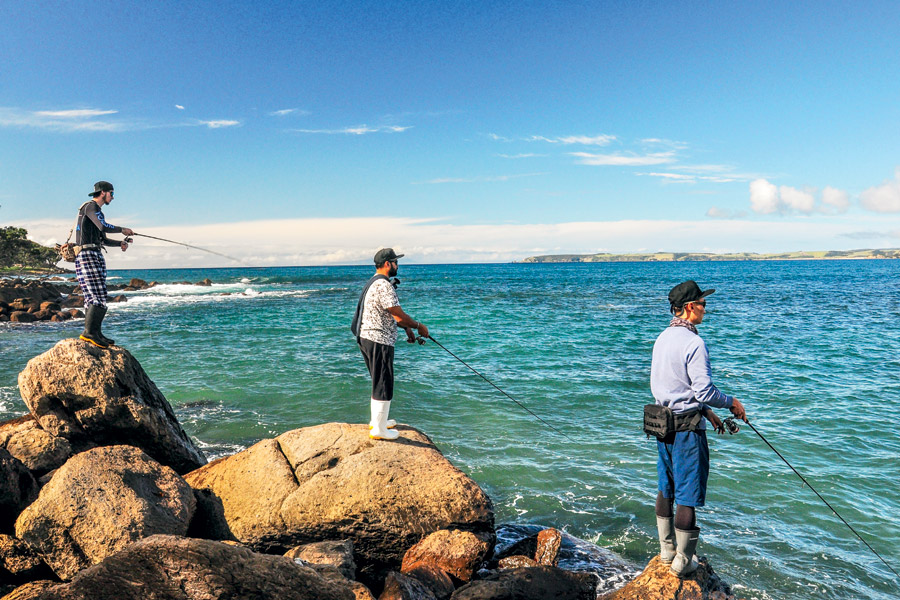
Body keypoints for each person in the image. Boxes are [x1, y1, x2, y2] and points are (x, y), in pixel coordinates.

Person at [649, 280, 747, 578]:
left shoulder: (662, 338)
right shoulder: (694, 343)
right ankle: (683, 562)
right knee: (687, 494)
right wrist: (731, 403)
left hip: (662, 425)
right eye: (703, 304)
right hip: (688, 431)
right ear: (690, 307)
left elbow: (672, 387)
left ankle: (666, 551)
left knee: (666, 487)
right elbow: (703, 391)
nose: (706, 309)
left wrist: (707, 412)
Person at [350, 248, 429, 440]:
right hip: (379, 339)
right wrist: (419, 326)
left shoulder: (373, 282)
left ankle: (378, 422)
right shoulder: (384, 285)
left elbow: (389, 314)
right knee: (384, 382)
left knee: (379, 380)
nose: (397, 266)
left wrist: (406, 328)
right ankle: (379, 429)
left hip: (367, 337)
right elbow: (397, 313)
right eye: (395, 262)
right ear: (388, 264)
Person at [74, 181, 134, 348]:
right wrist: (122, 229)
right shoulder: (91, 207)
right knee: (95, 295)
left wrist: (120, 243)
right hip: (87, 254)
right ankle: (89, 333)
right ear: (103, 193)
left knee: (98, 295)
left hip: (94, 253)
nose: (112, 197)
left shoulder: (96, 211)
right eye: (111, 194)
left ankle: (96, 333)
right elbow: (103, 226)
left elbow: (103, 239)